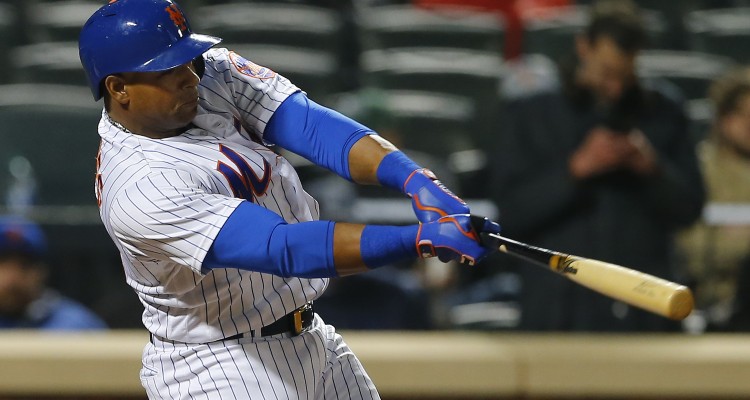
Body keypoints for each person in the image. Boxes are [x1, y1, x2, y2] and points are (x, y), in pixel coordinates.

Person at [77, 0, 499, 398]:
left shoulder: (210, 75)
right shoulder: (141, 186)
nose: (189, 75)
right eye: (168, 69)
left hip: (309, 335)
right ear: (119, 89)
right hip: (221, 366)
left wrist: (417, 182)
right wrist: (418, 240)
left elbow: (312, 127)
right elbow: (285, 248)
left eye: (188, 58)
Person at [488, 0, 705, 332]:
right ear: (583, 46)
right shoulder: (530, 113)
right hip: (558, 311)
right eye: (606, 73)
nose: (616, 88)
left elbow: (690, 208)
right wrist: (576, 169)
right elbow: (512, 215)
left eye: (625, 74)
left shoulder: (664, 110)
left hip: (643, 312)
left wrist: (651, 166)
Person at [677, 67, 750, 331]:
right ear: (723, 118)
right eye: (743, 115)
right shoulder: (699, 169)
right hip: (711, 302)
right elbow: (687, 244)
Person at [0, 216, 107, 330]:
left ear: (42, 272)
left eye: (24, 265)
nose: (12, 278)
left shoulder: (76, 326)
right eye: (2, 263)